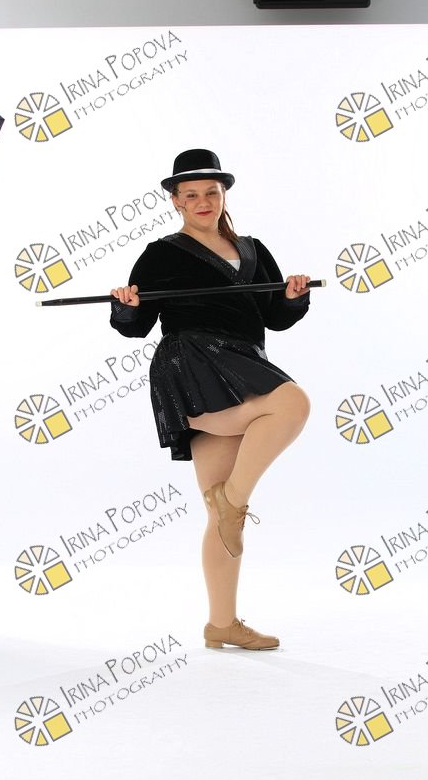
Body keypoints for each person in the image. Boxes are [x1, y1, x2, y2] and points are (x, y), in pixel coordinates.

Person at [110, 149, 311, 651]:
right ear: (176, 201)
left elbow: (274, 317)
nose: (203, 201)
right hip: (193, 360)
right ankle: (233, 503)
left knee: (220, 513)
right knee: (292, 404)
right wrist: (127, 307)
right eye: (192, 194)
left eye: (211, 192)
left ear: (224, 196)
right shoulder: (161, 253)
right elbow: (136, 326)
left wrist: (292, 298)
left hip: (245, 362)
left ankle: (222, 623)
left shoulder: (253, 249)